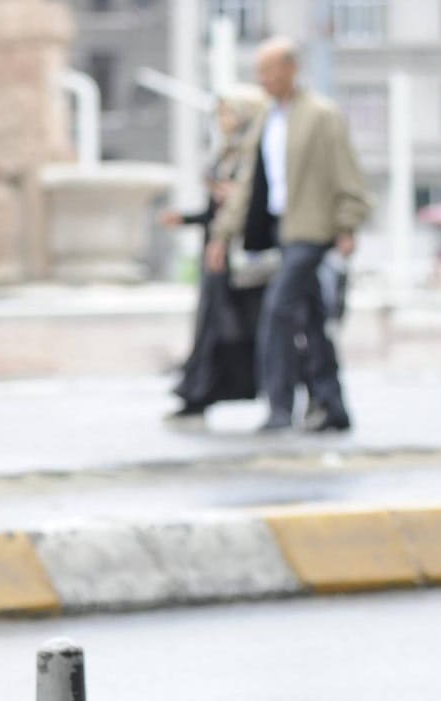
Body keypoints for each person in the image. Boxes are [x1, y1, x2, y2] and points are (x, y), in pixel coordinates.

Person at [208, 37, 371, 433]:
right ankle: (332, 407)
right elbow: (249, 183)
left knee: (278, 312)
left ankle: (280, 407)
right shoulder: (268, 120)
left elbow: (346, 173)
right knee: (312, 321)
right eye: (260, 71)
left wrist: (347, 224)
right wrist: (222, 233)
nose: (262, 79)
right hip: (282, 230)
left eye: (269, 70)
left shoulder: (321, 115)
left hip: (312, 231)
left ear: (291, 69)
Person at [159, 86, 269, 426]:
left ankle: (209, 391)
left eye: (229, 113)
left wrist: (233, 198)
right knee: (212, 326)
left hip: (239, 255)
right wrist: (189, 219)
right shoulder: (229, 153)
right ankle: (198, 391)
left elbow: (254, 204)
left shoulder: (257, 154)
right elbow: (217, 210)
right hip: (217, 250)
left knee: (232, 329)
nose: (223, 121)